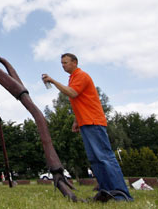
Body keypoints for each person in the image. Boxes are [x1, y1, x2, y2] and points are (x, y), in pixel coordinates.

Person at [42, 53, 132, 202]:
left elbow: (73, 93)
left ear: (75, 62)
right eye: (62, 63)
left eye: (65, 63)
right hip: (85, 123)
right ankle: (106, 192)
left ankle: (121, 194)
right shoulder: (73, 78)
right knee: (95, 159)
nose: (63, 65)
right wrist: (77, 120)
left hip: (94, 122)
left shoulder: (81, 76)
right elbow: (82, 101)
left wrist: (52, 80)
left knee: (105, 157)